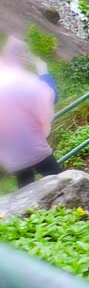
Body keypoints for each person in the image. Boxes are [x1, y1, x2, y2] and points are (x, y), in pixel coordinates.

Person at [0, 37, 61, 188]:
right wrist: (42, 69)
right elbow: (50, 96)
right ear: (21, 56)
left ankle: (31, 211)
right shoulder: (20, 81)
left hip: (12, 155)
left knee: (25, 186)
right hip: (34, 148)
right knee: (62, 182)